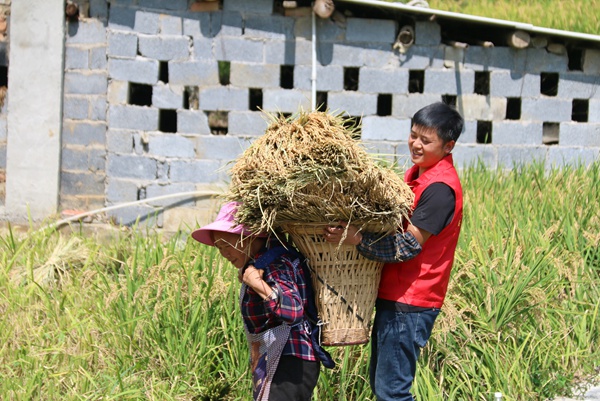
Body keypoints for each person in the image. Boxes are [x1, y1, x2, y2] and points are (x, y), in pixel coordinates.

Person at [323, 102, 465, 401]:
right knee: (383, 387)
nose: (415, 144)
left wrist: (358, 239)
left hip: (411, 301)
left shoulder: (440, 188)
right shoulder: (416, 175)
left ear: (448, 145)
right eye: (413, 135)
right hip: (396, 296)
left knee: (393, 392)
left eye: (426, 140)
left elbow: (408, 245)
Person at [191, 201, 324, 401]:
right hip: (283, 361)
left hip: (292, 362)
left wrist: (259, 286)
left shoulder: (275, 263)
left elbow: (294, 311)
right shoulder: (260, 263)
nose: (225, 254)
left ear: (249, 237)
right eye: (219, 248)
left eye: (227, 245)